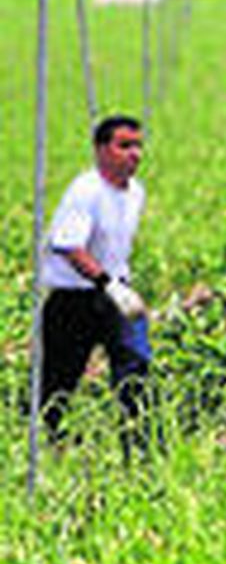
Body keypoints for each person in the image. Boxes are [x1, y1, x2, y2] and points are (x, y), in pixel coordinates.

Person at [37, 113, 152, 445]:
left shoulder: (136, 193)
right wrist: (108, 283)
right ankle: (51, 442)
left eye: (138, 146)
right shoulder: (86, 191)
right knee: (60, 379)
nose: (134, 154)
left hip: (115, 293)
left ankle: (138, 445)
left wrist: (120, 286)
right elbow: (69, 245)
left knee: (135, 366)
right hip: (75, 298)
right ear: (101, 150)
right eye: (124, 146)